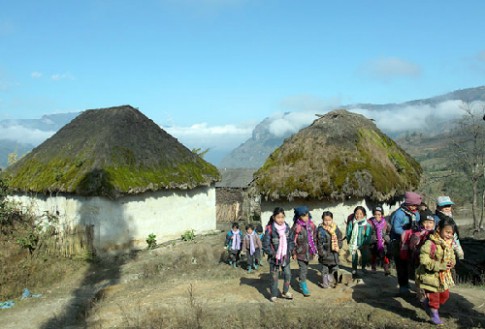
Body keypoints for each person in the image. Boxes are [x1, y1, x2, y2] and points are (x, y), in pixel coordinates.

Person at [415, 217, 456, 325]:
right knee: (435, 297)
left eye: (451, 233)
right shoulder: (430, 243)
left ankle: (428, 304)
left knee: (445, 295)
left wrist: (452, 262)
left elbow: (452, 256)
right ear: (438, 229)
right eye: (447, 232)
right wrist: (440, 265)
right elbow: (424, 260)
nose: (449, 235)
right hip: (430, 276)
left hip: (443, 277)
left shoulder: (449, 244)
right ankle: (434, 314)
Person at [390, 191, 422, 295]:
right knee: (401, 265)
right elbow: (395, 228)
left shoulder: (416, 213)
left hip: (410, 242)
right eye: (412, 205)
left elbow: (418, 225)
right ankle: (403, 286)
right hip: (398, 242)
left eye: (416, 206)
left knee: (409, 264)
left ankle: (407, 283)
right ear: (407, 203)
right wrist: (407, 233)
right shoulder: (399, 214)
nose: (414, 207)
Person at [262, 207, 294, 302]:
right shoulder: (270, 229)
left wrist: (290, 250)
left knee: (288, 274)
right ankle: (274, 294)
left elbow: (291, 241)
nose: (281, 219)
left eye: (282, 217)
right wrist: (272, 254)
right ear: (273, 217)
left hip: (285, 257)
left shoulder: (287, 228)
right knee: (274, 277)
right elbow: (265, 244)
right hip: (274, 258)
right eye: (278, 217)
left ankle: (285, 291)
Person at [290, 206, 318, 296]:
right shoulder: (296, 227)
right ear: (299, 217)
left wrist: (314, 249)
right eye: (303, 216)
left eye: (307, 215)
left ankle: (302, 281)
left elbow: (315, 238)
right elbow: (292, 241)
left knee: (305, 268)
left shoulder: (312, 226)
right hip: (300, 252)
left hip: (309, 252)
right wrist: (293, 252)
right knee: (303, 269)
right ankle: (303, 285)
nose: (306, 218)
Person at [433, 196, 464, 260]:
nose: (447, 208)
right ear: (438, 207)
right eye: (444, 206)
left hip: (454, 240)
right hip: (444, 242)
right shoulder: (435, 219)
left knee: (460, 255)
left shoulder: (449, 216)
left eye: (449, 206)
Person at [317, 211, 343, 288]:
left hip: (334, 254)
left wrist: (339, 245)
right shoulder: (320, 230)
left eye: (329, 220)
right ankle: (325, 284)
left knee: (334, 269)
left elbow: (339, 238)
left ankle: (331, 281)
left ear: (332, 219)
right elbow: (319, 243)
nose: (327, 222)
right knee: (325, 270)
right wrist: (322, 253)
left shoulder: (336, 228)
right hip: (325, 254)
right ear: (322, 220)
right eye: (325, 220)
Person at [346, 206, 373, 278]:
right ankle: (354, 270)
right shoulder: (352, 223)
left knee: (364, 256)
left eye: (361, 214)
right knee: (354, 257)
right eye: (357, 213)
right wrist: (349, 241)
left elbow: (368, 235)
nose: (358, 215)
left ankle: (363, 268)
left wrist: (365, 243)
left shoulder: (367, 225)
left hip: (363, 244)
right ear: (354, 214)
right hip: (354, 244)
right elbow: (348, 233)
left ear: (364, 215)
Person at [368, 206, 391, 275]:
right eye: (375, 214)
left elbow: (389, 233)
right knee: (373, 254)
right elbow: (367, 235)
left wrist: (384, 239)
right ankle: (373, 267)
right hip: (373, 243)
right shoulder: (369, 223)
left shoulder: (386, 223)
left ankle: (386, 269)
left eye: (379, 214)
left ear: (382, 215)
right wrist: (375, 239)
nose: (377, 216)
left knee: (384, 255)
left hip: (383, 243)